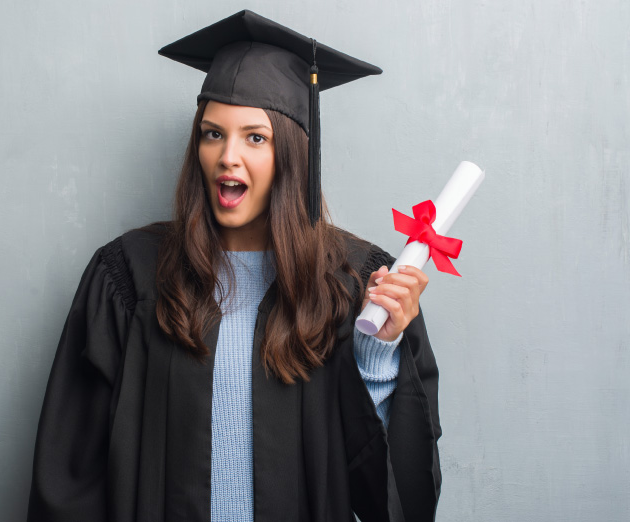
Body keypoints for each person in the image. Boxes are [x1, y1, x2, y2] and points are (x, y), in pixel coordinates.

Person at [27, 10, 441, 522]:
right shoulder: (129, 276)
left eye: (255, 137)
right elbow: (71, 475)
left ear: (292, 156)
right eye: (212, 134)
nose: (227, 156)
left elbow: (391, 494)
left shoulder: (353, 282)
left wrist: (379, 353)